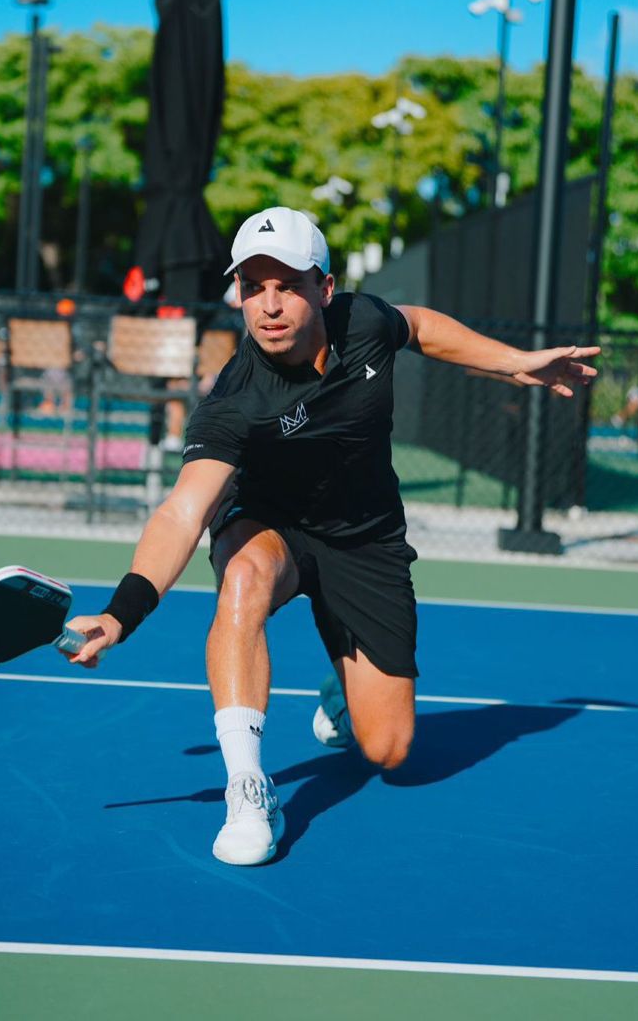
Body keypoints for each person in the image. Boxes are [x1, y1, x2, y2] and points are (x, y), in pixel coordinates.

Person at [61, 207, 598, 866]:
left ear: (324, 287)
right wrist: (121, 614)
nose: (269, 303)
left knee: (393, 752)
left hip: (365, 540)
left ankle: (341, 687)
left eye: (286, 283)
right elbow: (182, 511)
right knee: (243, 581)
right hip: (267, 527)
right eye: (252, 286)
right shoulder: (233, 401)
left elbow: (423, 326)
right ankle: (248, 786)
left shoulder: (363, 324)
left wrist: (515, 364)